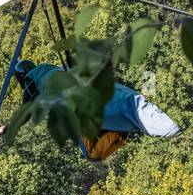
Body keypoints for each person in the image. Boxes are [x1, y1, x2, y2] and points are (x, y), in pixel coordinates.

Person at [12, 59, 180, 160]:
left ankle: (116, 132)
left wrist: (8, 128)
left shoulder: (30, 79)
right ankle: (117, 127)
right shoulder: (50, 69)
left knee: (92, 154)